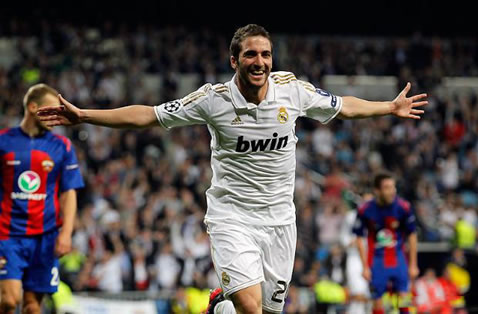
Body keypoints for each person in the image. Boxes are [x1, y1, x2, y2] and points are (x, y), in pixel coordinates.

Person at [38, 24, 427, 314]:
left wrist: (388, 108)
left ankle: (220, 306)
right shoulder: (213, 100)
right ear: (234, 60)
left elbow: (344, 105)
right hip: (232, 217)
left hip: (280, 221)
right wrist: (86, 115)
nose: (260, 62)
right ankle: (229, 301)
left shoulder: (293, 91)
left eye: (266, 55)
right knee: (252, 308)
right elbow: (149, 116)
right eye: (251, 55)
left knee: (265, 312)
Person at [0, 84, 84, 314]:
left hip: (45, 237)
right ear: (32, 107)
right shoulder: (3, 142)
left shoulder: (62, 146)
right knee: (9, 300)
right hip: (7, 235)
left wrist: (66, 233)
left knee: (32, 306)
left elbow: (69, 192)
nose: (56, 115)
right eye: (51, 109)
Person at [353, 173, 419, 314]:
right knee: (377, 303)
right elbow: (359, 237)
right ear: (377, 190)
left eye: (393, 187)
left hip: (398, 257)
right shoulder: (365, 210)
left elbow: (412, 235)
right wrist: (364, 266)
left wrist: (413, 264)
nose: (392, 191)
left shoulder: (403, 207)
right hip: (376, 260)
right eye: (387, 187)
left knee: (404, 299)